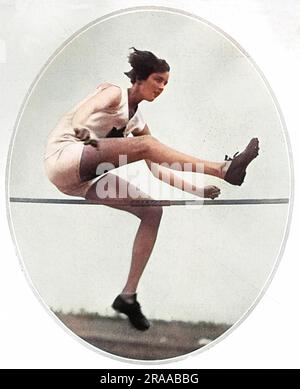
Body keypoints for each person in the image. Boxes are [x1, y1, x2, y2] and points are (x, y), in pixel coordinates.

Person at [44, 48, 259, 331]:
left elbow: (155, 166)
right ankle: (223, 169)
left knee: (152, 211)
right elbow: (82, 114)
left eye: (166, 83)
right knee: (148, 145)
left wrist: (196, 191)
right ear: (140, 78)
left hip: (79, 181)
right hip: (63, 157)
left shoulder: (136, 121)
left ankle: (128, 296)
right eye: (158, 80)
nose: (161, 88)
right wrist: (85, 132)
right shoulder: (114, 93)